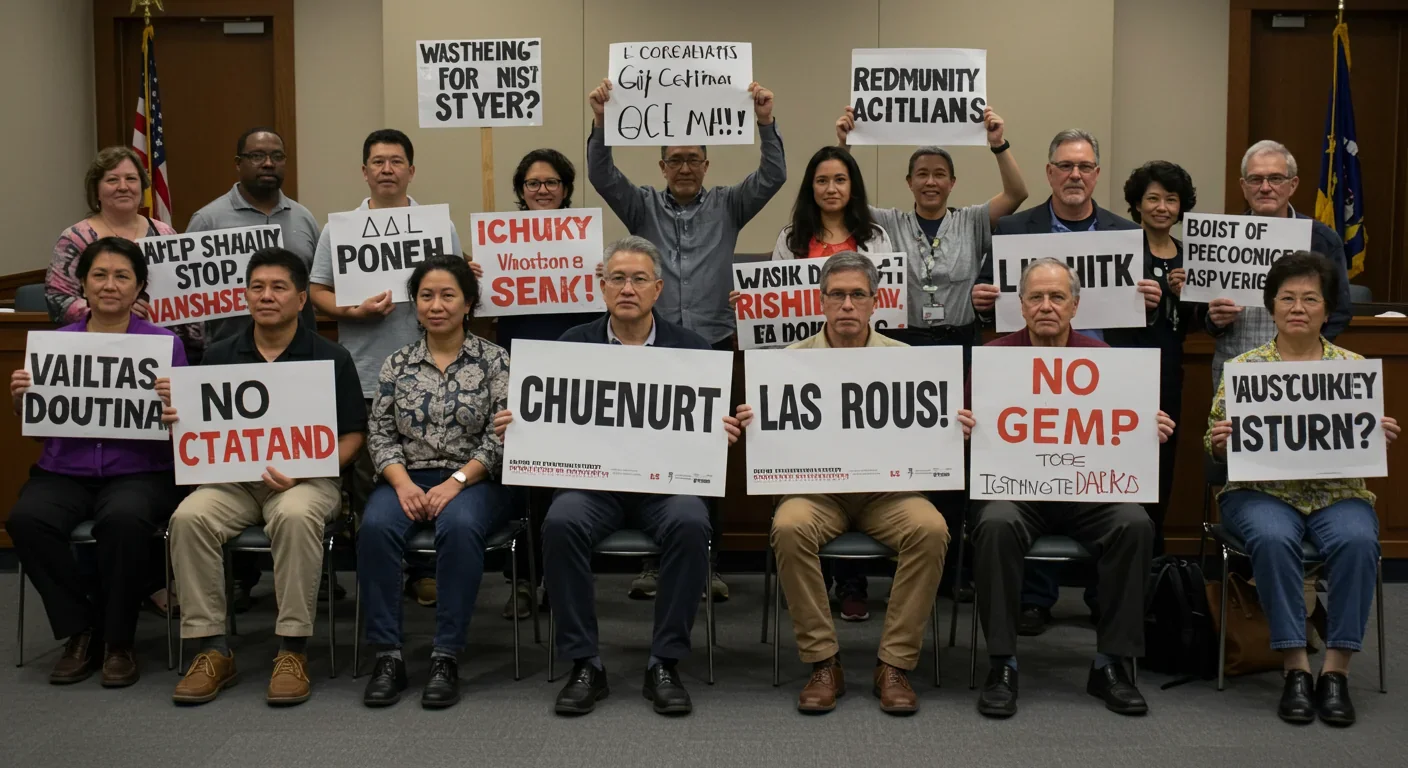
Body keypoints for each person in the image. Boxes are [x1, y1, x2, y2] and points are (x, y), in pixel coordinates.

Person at [493, 236, 744, 717]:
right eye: (617, 279)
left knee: (692, 524)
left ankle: (664, 662)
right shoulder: (571, 347)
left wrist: (725, 429)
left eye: (638, 279)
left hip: (665, 487)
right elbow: (544, 419)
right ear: (601, 287)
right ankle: (585, 662)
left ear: (658, 288)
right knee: (562, 521)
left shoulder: (693, 350)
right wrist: (518, 425)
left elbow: (715, 423)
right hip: (594, 486)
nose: (627, 288)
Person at [736, 251, 951, 715]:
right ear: (821, 301)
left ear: (876, 302)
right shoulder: (786, 364)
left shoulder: (908, 361)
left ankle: (894, 664)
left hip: (886, 493)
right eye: (837, 295)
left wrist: (954, 426)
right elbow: (773, 443)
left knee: (931, 529)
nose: (847, 305)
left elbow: (928, 439)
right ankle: (823, 662)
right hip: (819, 492)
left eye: (858, 295)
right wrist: (753, 424)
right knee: (789, 526)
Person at [971, 129, 1161, 634]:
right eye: (1065, 166)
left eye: (1084, 166)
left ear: (1097, 174)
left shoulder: (1127, 234)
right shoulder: (1013, 230)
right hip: (1022, 378)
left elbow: (1147, 322)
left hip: (1101, 377)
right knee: (1003, 508)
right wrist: (984, 300)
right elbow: (987, 297)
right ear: (1050, 172)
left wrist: (1153, 302)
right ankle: (1020, 623)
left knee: (1131, 520)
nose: (1075, 175)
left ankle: (1114, 646)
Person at [969, 257, 1173, 719]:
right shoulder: (995, 358)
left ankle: (1111, 665)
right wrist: (964, 427)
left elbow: (1126, 429)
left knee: (1135, 523)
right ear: (1020, 306)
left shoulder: (1106, 361)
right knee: (995, 523)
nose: (1046, 306)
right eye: (1036, 297)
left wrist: (1149, 427)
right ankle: (1002, 662)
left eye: (1057, 297)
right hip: (1017, 490)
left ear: (1075, 305)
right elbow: (969, 429)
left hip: (1089, 490)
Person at [165, 248, 366, 707]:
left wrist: (308, 469)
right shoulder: (218, 356)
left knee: (295, 516)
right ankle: (212, 648)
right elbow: (199, 430)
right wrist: (178, 417)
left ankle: (292, 649)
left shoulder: (331, 358)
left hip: (308, 480)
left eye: (278, 288)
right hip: (234, 481)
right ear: (246, 296)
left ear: (301, 300)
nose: (266, 296)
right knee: (189, 517)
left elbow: (354, 436)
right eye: (257, 287)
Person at [1206, 251, 1397, 727]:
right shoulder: (1246, 368)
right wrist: (1219, 440)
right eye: (1287, 298)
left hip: (1336, 492)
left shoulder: (1353, 368)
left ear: (1326, 310)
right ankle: (1294, 666)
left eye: (1309, 298)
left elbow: (1361, 442)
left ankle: (1335, 672)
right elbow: (1211, 445)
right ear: (1271, 307)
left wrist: (1378, 433)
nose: (1297, 307)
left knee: (1358, 541)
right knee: (1273, 538)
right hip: (1260, 492)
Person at [6, 237, 187, 687]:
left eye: (122, 276)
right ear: (83, 285)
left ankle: (120, 641)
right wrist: (21, 401)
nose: (110, 285)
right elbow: (42, 421)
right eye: (100, 276)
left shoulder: (165, 346)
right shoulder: (54, 345)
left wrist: (176, 406)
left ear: (140, 286)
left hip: (140, 471)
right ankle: (81, 628)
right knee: (26, 520)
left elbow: (188, 428)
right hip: (64, 469)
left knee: (123, 522)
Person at [308, 129, 465, 610]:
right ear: (364, 171)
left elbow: (455, 286)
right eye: (377, 161)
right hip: (366, 366)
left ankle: (422, 572)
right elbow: (316, 290)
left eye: (397, 161)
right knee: (370, 476)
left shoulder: (437, 224)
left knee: (428, 466)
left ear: (411, 171)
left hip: (433, 370)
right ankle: (382, 567)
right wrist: (349, 311)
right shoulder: (340, 230)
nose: (387, 169)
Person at [358, 256, 510, 710]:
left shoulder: (496, 360)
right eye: (426, 295)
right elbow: (380, 433)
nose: (436, 305)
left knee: (459, 527)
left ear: (469, 304)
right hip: (407, 476)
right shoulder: (397, 363)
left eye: (448, 295)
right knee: (375, 527)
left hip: (477, 479)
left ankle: (446, 654)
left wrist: (458, 481)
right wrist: (402, 485)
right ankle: (388, 655)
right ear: (415, 303)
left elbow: (503, 436)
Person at [468, 148, 589, 621]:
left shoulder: (585, 241)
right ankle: (522, 580)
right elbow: (471, 310)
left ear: (565, 189)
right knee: (524, 476)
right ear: (520, 191)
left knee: (569, 480)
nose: (543, 190)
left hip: (575, 368)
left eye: (552, 182)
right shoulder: (500, 247)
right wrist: (474, 279)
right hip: (518, 368)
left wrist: (600, 276)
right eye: (533, 183)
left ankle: (561, 580)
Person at [586, 78, 787, 350]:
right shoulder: (642, 206)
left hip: (716, 339)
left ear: (705, 166)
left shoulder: (728, 204)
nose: (684, 169)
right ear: (663, 167)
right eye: (675, 160)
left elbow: (773, 176)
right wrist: (601, 120)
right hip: (656, 340)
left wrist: (765, 121)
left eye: (693, 160)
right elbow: (602, 176)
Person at [835, 105, 1028, 350]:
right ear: (910, 182)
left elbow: (1016, 193)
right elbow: (843, 198)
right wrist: (845, 144)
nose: (930, 182)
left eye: (939, 174)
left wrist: (998, 143)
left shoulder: (971, 221)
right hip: (904, 343)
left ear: (952, 183)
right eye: (922, 174)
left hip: (961, 342)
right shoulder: (890, 223)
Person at [1104, 161, 1200, 552]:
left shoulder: (1192, 256)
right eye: (1153, 198)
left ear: (1181, 207)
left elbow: (1205, 322)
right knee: (1120, 464)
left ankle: (1153, 557)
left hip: (1168, 375)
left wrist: (1187, 296)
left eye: (1171, 200)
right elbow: (1098, 309)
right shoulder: (1120, 249)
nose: (1162, 207)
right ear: (1137, 204)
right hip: (1122, 375)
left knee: (1162, 465)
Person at [1205, 140, 1353, 389]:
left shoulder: (1322, 239)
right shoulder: (1219, 238)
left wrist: (1306, 352)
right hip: (1235, 367)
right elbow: (1201, 315)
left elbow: (1339, 310)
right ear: (1243, 186)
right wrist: (1213, 319)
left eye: (1275, 178)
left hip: (1304, 371)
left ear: (1292, 184)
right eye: (1255, 179)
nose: (1265, 187)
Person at [46, 146, 203, 361]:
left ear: (142, 186)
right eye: (112, 180)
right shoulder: (74, 238)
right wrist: (118, 312)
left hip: (158, 348)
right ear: (97, 189)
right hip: (92, 350)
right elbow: (57, 299)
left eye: (131, 179)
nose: (123, 187)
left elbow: (183, 291)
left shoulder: (165, 232)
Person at [187, 128, 321, 343]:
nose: (268, 163)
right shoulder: (207, 220)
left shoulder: (304, 218)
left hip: (300, 354)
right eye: (257, 156)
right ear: (238, 163)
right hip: (228, 354)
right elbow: (186, 295)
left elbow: (317, 286)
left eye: (277, 156)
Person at [771, 145, 893, 259]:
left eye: (840, 180)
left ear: (853, 185)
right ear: (811, 186)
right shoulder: (790, 238)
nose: (831, 189)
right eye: (822, 181)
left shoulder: (876, 236)